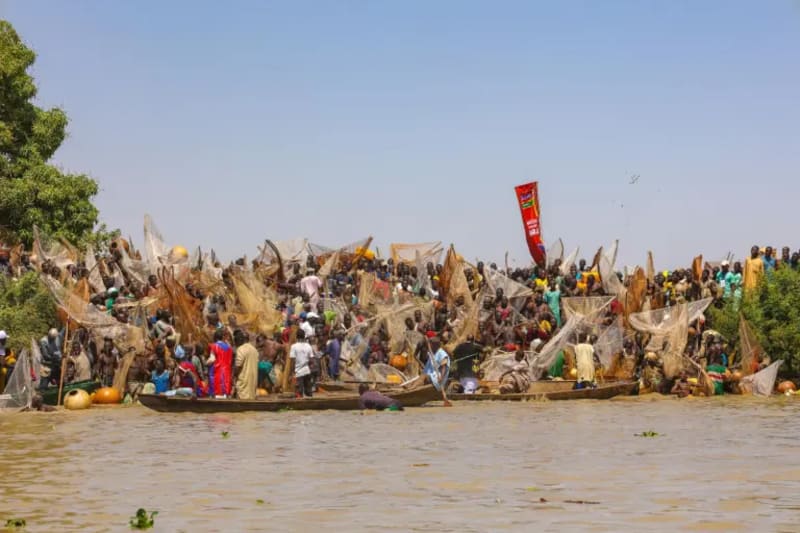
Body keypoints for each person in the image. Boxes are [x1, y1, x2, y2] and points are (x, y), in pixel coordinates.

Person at [424, 337, 451, 406]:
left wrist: (441, 377)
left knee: (423, 377)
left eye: (431, 345)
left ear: (435, 345)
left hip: (436, 378)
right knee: (419, 378)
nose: (430, 346)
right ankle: (408, 388)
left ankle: (410, 389)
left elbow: (444, 366)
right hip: (431, 375)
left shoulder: (441, 353)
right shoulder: (433, 352)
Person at [233, 330, 259, 400]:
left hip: (243, 383)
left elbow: (238, 366)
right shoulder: (254, 350)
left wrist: (233, 375)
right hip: (252, 385)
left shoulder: (241, 349)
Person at [207, 329, 233, 397]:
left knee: (217, 394)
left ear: (215, 337)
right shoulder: (229, 348)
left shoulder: (214, 346)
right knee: (225, 394)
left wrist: (206, 363)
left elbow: (212, 359)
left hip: (217, 372)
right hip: (227, 373)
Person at [290, 329, 315, 398]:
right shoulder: (308, 346)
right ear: (304, 336)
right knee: (309, 393)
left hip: (298, 373)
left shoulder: (293, 346)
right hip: (307, 371)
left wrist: (292, 372)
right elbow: (312, 360)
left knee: (299, 393)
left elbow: (292, 361)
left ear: (296, 336)